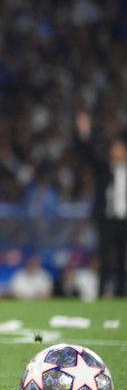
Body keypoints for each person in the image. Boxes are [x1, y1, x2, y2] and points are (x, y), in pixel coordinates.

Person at [75, 110, 127, 298]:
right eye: (115, 148)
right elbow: (89, 155)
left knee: (122, 258)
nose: (118, 151)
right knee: (105, 257)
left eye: (121, 148)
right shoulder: (104, 169)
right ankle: (101, 292)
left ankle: (121, 294)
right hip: (107, 218)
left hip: (124, 219)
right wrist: (84, 135)